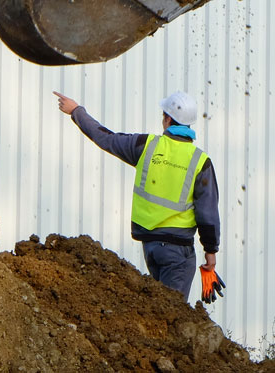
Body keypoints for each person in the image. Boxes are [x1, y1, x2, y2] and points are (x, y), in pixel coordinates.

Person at [53, 89, 223, 302]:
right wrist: (211, 253)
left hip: (151, 248)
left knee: (160, 310)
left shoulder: (147, 147)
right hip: (178, 253)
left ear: (167, 119)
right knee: (172, 316)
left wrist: (76, 111)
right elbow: (208, 213)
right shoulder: (200, 162)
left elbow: (106, 138)